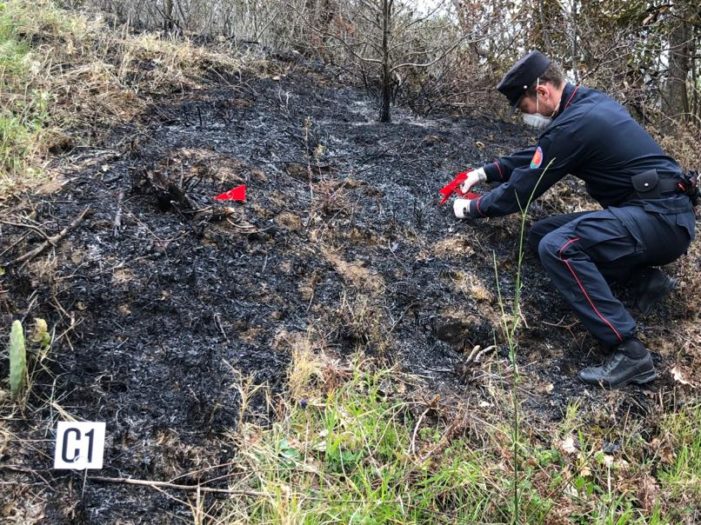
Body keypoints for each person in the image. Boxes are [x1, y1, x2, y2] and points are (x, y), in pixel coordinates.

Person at [450, 50, 696, 388]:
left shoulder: (576, 124)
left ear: (543, 91)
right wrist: (485, 172)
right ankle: (644, 282)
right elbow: (542, 153)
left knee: (560, 246)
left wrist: (472, 208)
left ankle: (630, 351)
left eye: (524, 108)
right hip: (656, 217)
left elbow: (524, 189)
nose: (527, 117)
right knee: (541, 234)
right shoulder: (586, 105)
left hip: (660, 220)